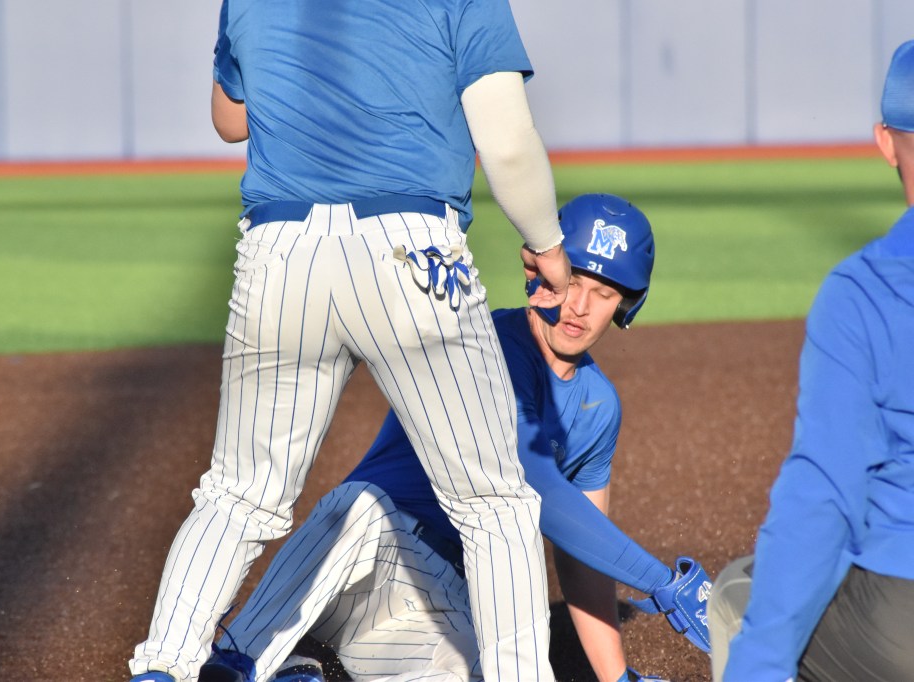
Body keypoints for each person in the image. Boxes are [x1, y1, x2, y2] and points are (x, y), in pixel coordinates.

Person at [129, 0, 574, 680]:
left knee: (238, 495)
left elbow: (230, 121)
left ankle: (162, 666)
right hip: (411, 249)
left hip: (279, 249)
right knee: (493, 504)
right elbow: (507, 141)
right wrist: (547, 244)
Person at [196, 194, 712, 682]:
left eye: (603, 294)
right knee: (360, 507)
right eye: (574, 280)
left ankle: (299, 661)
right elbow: (536, 484)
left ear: (627, 304)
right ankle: (240, 656)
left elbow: (582, 556)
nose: (580, 306)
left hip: (432, 602)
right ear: (544, 274)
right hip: (358, 556)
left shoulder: (598, 407)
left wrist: (615, 676)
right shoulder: (488, 349)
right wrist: (661, 580)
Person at [708, 39, 914, 682]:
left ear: (886, 140)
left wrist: (759, 665)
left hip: (900, 616)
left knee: (738, 595)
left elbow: (824, 495)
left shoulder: (863, 292)